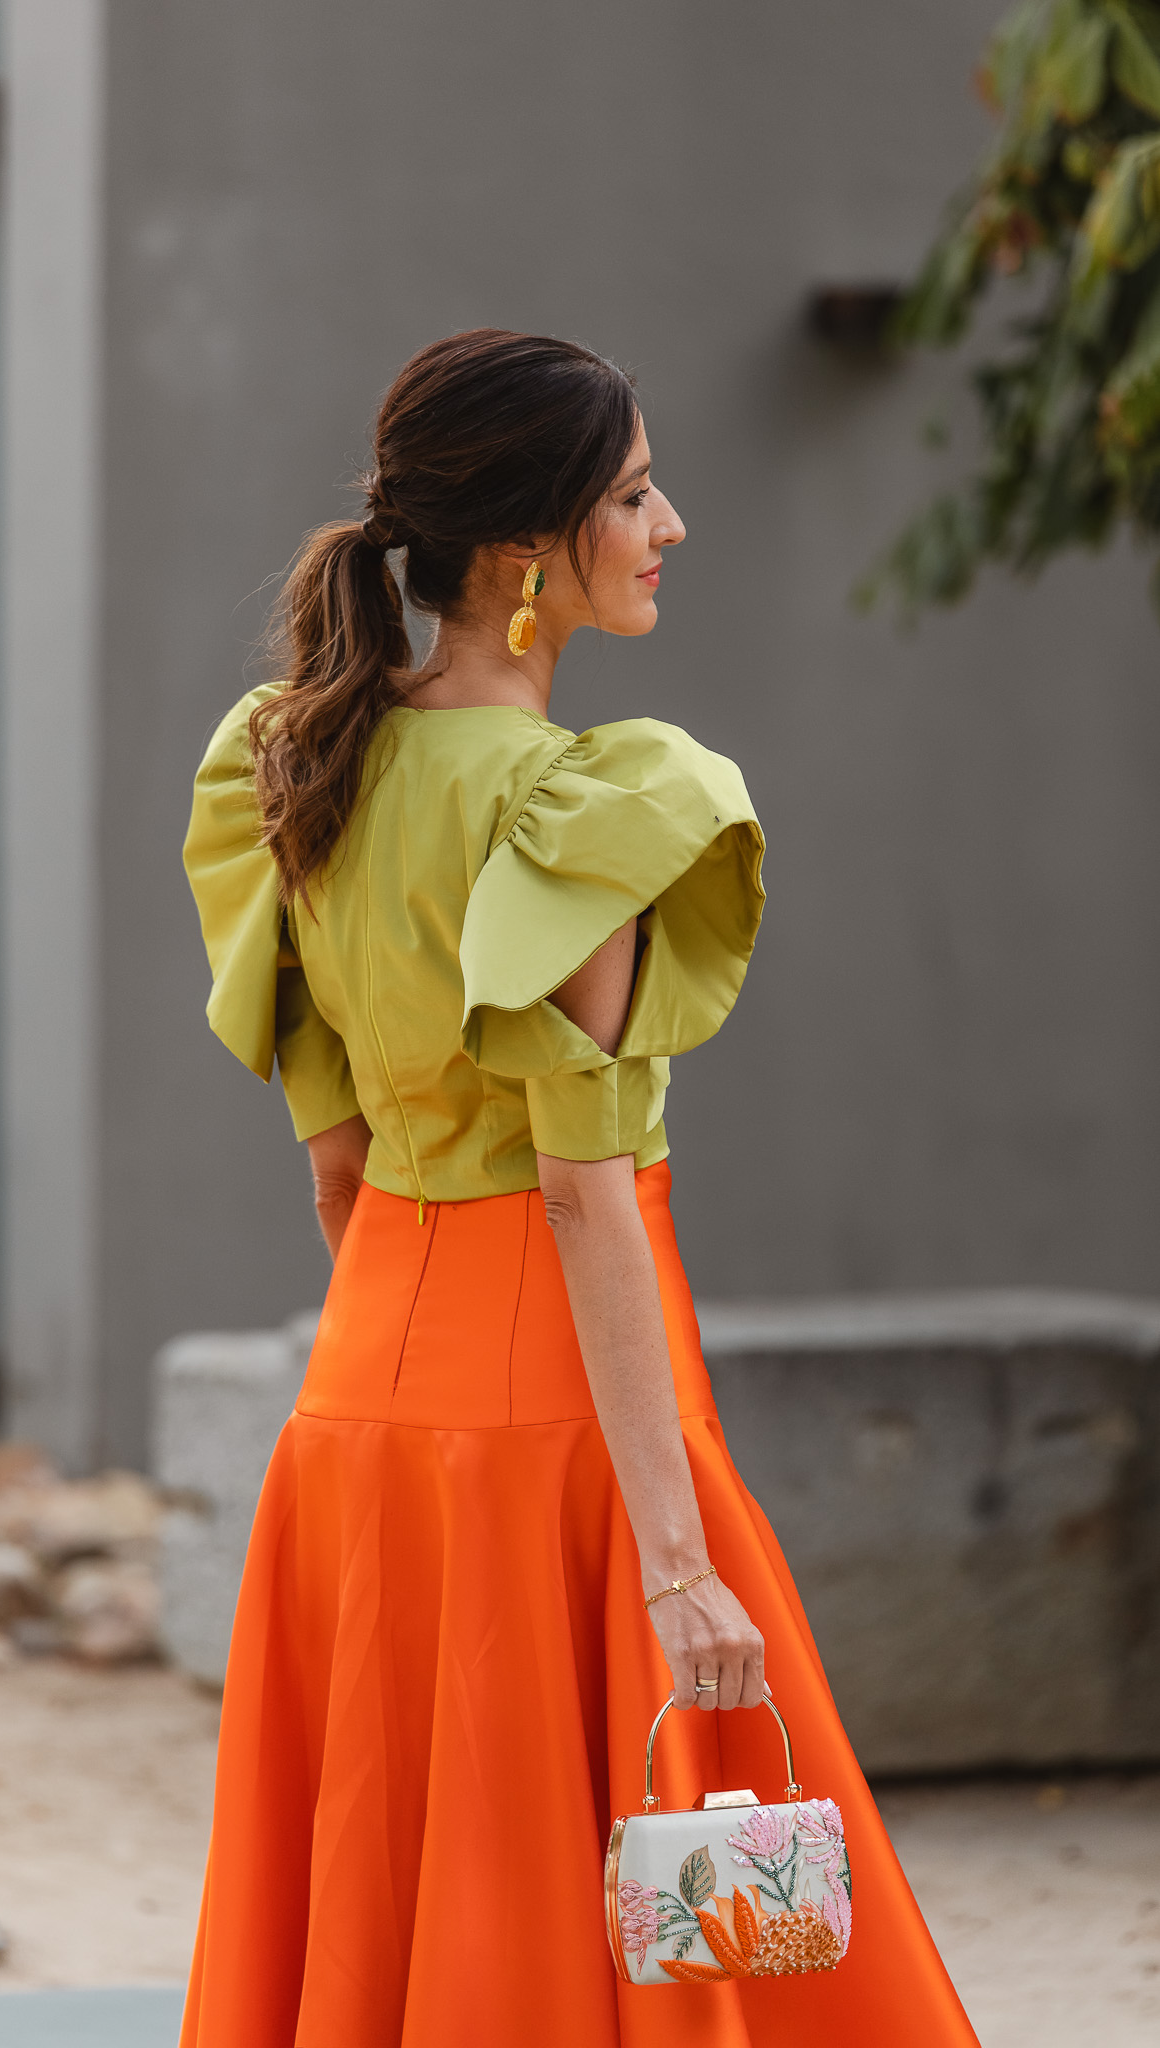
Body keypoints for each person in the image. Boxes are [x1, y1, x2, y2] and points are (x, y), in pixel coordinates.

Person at [180, 329, 977, 2048]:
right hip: (565, 1417)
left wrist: (401, 1367)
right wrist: (678, 1564)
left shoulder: (299, 764)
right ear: (522, 554)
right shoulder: (573, 807)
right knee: (643, 1918)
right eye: (631, 493)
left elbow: (337, 1169)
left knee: (407, 1896)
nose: (668, 522)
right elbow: (577, 1195)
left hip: (359, 1417)